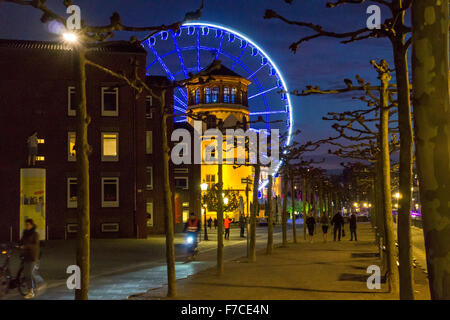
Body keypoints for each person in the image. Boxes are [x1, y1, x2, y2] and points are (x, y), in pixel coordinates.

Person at [19, 218, 40, 299]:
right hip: (25, 256)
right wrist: (18, 245)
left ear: (31, 225)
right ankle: (35, 286)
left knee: (28, 274)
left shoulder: (35, 234)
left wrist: (26, 246)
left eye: (28, 225)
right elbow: (21, 241)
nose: (27, 226)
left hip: (32, 256)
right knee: (27, 273)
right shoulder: (25, 233)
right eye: (26, 225)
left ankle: (31, 292)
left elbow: (35, 246)